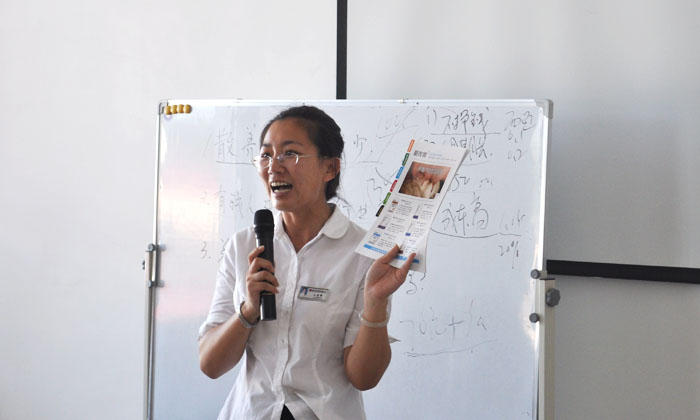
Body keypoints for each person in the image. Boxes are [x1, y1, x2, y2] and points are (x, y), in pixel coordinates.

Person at [197, 105, 416, 420]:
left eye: (290, 154)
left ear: (330, 168)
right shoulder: (243, 245)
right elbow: (210, 364)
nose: (274, 167)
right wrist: (248, 311)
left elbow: (364, 378)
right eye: (266, 155)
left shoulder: (365, 253)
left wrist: (376, 302)